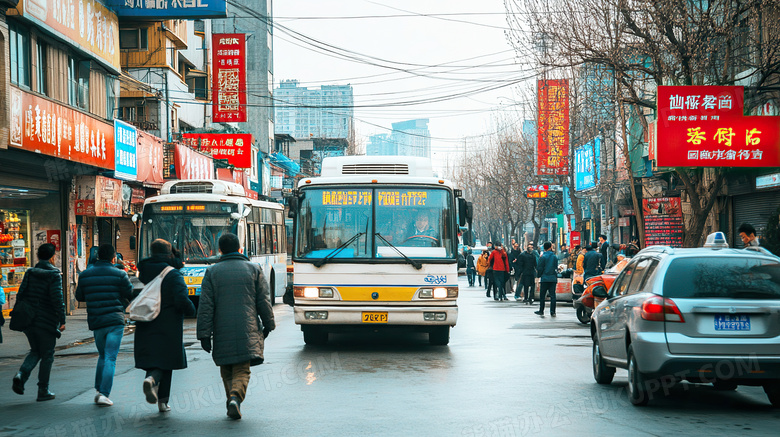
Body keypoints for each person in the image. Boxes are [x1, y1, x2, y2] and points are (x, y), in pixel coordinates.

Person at [197, 233, 275, 420]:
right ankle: (235, 397)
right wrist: (269, 324)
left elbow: (206, 305)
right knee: (242, 368)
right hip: (247, 328)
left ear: (220, 250)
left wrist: (204, 335)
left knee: (226, 367)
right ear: (240, 248)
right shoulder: (254, 269)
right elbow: (263, 301)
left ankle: (232, 399)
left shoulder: (212, 272)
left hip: (221, 329)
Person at [135, 239, 196, 413]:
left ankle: (151, 378)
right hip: (168, 322)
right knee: (166, 360)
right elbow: (181, 298)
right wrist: (191, 310)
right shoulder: (172, 273)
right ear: (169, 253)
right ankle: (162, 400)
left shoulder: (143, 271)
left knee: (152, 357)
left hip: (145, 320)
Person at [75, 244, 133, 407]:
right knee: (110, 357)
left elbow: (79, 296)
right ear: (113, 257)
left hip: (97, 320)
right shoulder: (120, 274)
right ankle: (104, 393)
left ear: (98, 256)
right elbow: (129, 293)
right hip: (114, 320)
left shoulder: (85, 275)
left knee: (102, 355)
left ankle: (98, 389)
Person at [11, 243, 66, 401]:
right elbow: (57, 300)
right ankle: (43, 389)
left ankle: (21, 375)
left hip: (29, 319)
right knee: (47, 354)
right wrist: (62, 320)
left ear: (37, 256)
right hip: (46, 320)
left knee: (35, 350)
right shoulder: (54, 275)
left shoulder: (30, 272)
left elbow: (21, 294)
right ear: (52, 256)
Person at [534, 242, 558, 317]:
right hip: (553, 278)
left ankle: (541, 310)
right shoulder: (554, 257)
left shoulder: (543, 257)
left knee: (542, 295)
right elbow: (556, 267)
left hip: (544, 278)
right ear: (550, 247)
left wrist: (538, 276)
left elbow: (540, 268)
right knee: (553, 295)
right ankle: (553, 311)